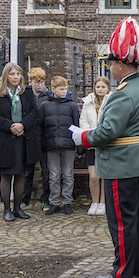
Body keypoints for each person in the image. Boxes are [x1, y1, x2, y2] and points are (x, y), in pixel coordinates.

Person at [71, 17, 139, 278]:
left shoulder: (122, 93)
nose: (109, 67)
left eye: (111, 63)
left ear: (121, 63)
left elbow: (109, 132)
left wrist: (82, 136)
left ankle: (122, 272)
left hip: (123, 166)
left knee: (122, 221)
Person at [0, 62, 39, 222]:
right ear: (6, 76)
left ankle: (18, 208)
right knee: (6, 175)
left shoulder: (27, 92)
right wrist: (10, 126)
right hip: (6, 139)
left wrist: (22, 124)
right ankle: (6, 209)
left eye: (18, 74)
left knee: (21, 174)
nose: (16, 77)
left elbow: (34, 112)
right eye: (12, 74)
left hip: (24, 138)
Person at [37, 76, 80, 215]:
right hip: (51, 144)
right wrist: (42, 144)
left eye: (65, 89)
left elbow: (77, 126)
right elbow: (40, 126)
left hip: (68, 144)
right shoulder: (45, 106)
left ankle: (67, 202)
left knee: (68, 174)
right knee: (53, 175)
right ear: (53, 89)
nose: (64, 91)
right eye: (61, 89)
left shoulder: (72, 106)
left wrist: (78, 145)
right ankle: (54, 202)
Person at [80, 76, 112, 216]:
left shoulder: (112, 102)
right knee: (93, 176)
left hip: (106, 143)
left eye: (103, 87)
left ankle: (103, 203)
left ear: (108, 88)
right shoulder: (87, 103)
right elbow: (84, 121)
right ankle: (94, 202)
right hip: (92, 143)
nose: (100, 89)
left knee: (104, 175)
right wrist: (90, 135)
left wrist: (102, 136)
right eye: (98, 87)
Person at [23, 67, 51, 211]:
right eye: (36, 82)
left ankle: (46, 198)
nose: (39, 85)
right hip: (29, 135)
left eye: (41, 82)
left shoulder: (49, 96)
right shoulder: (27, 95)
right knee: (28, 171)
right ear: (31, 81)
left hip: (45, 136)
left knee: (46, 170)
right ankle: (24, 199)